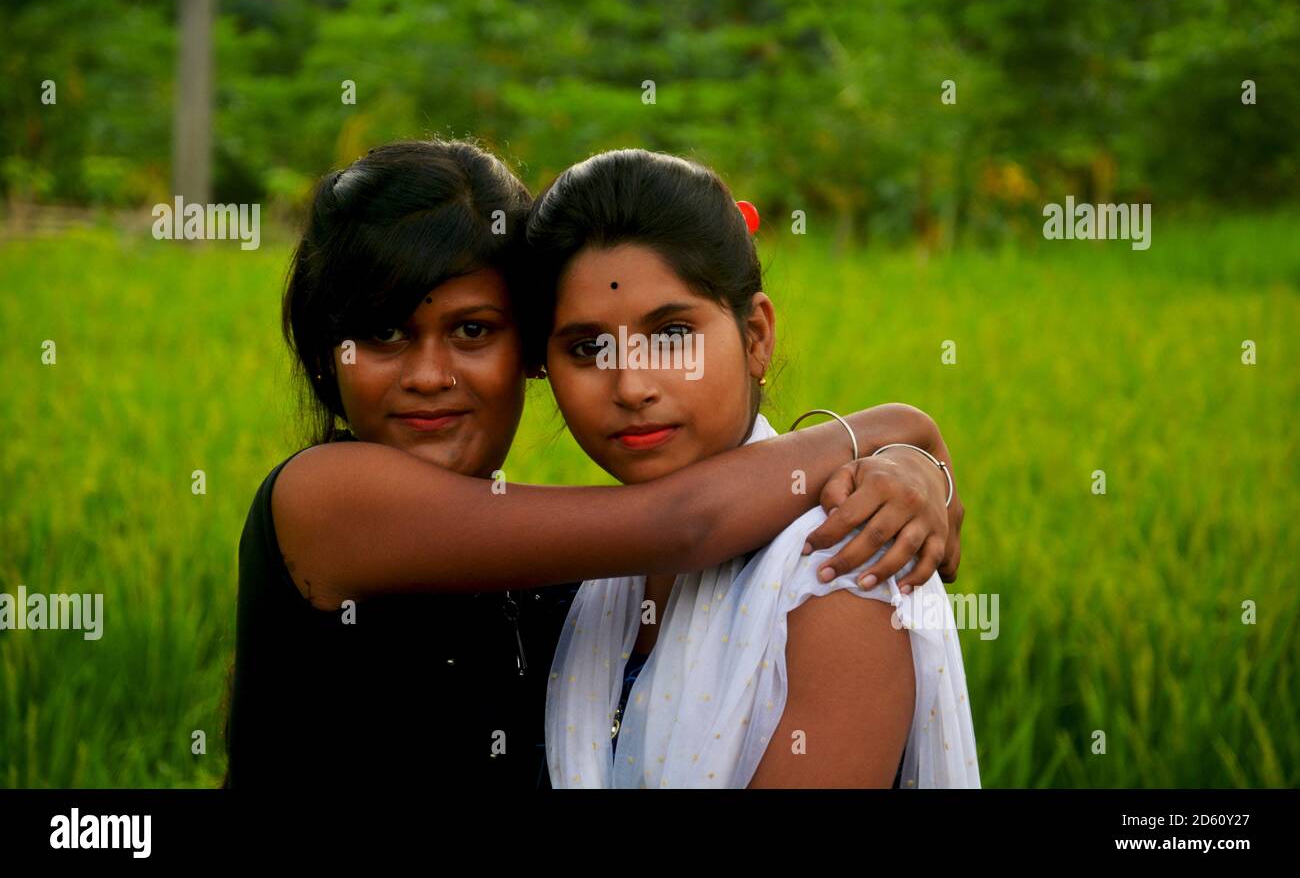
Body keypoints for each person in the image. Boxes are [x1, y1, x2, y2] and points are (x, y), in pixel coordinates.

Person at [223, 139, 965, 790]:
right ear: (328, 356)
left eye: (473, 330)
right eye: (383, 334)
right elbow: (683, 521)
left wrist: (897, 462)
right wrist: (898, 430)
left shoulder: (593, 582)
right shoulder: (326, 500)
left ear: (526, 354)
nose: (428, 375)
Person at [532, 149, 979, 787]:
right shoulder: (589, 584)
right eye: (587, 348)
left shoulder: (840, 569)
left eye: (671, 335)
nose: (631, 385)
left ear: (756, 336)